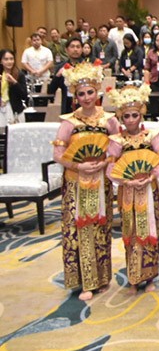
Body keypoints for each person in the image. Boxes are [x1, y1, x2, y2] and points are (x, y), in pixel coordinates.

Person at [53, 62, 119, 301]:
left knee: (101, 228)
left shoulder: (109, 120)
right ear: (75, 95)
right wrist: (78, 166)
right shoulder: (69, 122)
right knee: (78, 229)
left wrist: (105, 162)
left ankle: (102, 278)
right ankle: (84, 282)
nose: (87, 97)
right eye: (81, 94)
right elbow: (58, 154)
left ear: (97, 91)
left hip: (100, 181)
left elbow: (118, 148)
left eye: (90, 92)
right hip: (76, 183)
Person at [106, 84, 159, 294]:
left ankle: (150, 277)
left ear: (141, 115)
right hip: (128, 191)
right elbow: (111, 167)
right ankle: (133, 278)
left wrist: (151, 176)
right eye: (126, 116)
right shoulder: (116, 140)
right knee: (131, 231)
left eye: (134, 115)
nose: (131, 120)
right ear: (121, 118)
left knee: (149, 230)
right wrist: (126, 181)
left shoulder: (152, 135)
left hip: (148, 188)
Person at [0, 49, 28, 127]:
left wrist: (14, 82)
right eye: (6, 59)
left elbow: (24, 96)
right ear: (1, 61)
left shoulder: (19, 74)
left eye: (11, 59)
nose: (9, 61)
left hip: (16, 111)